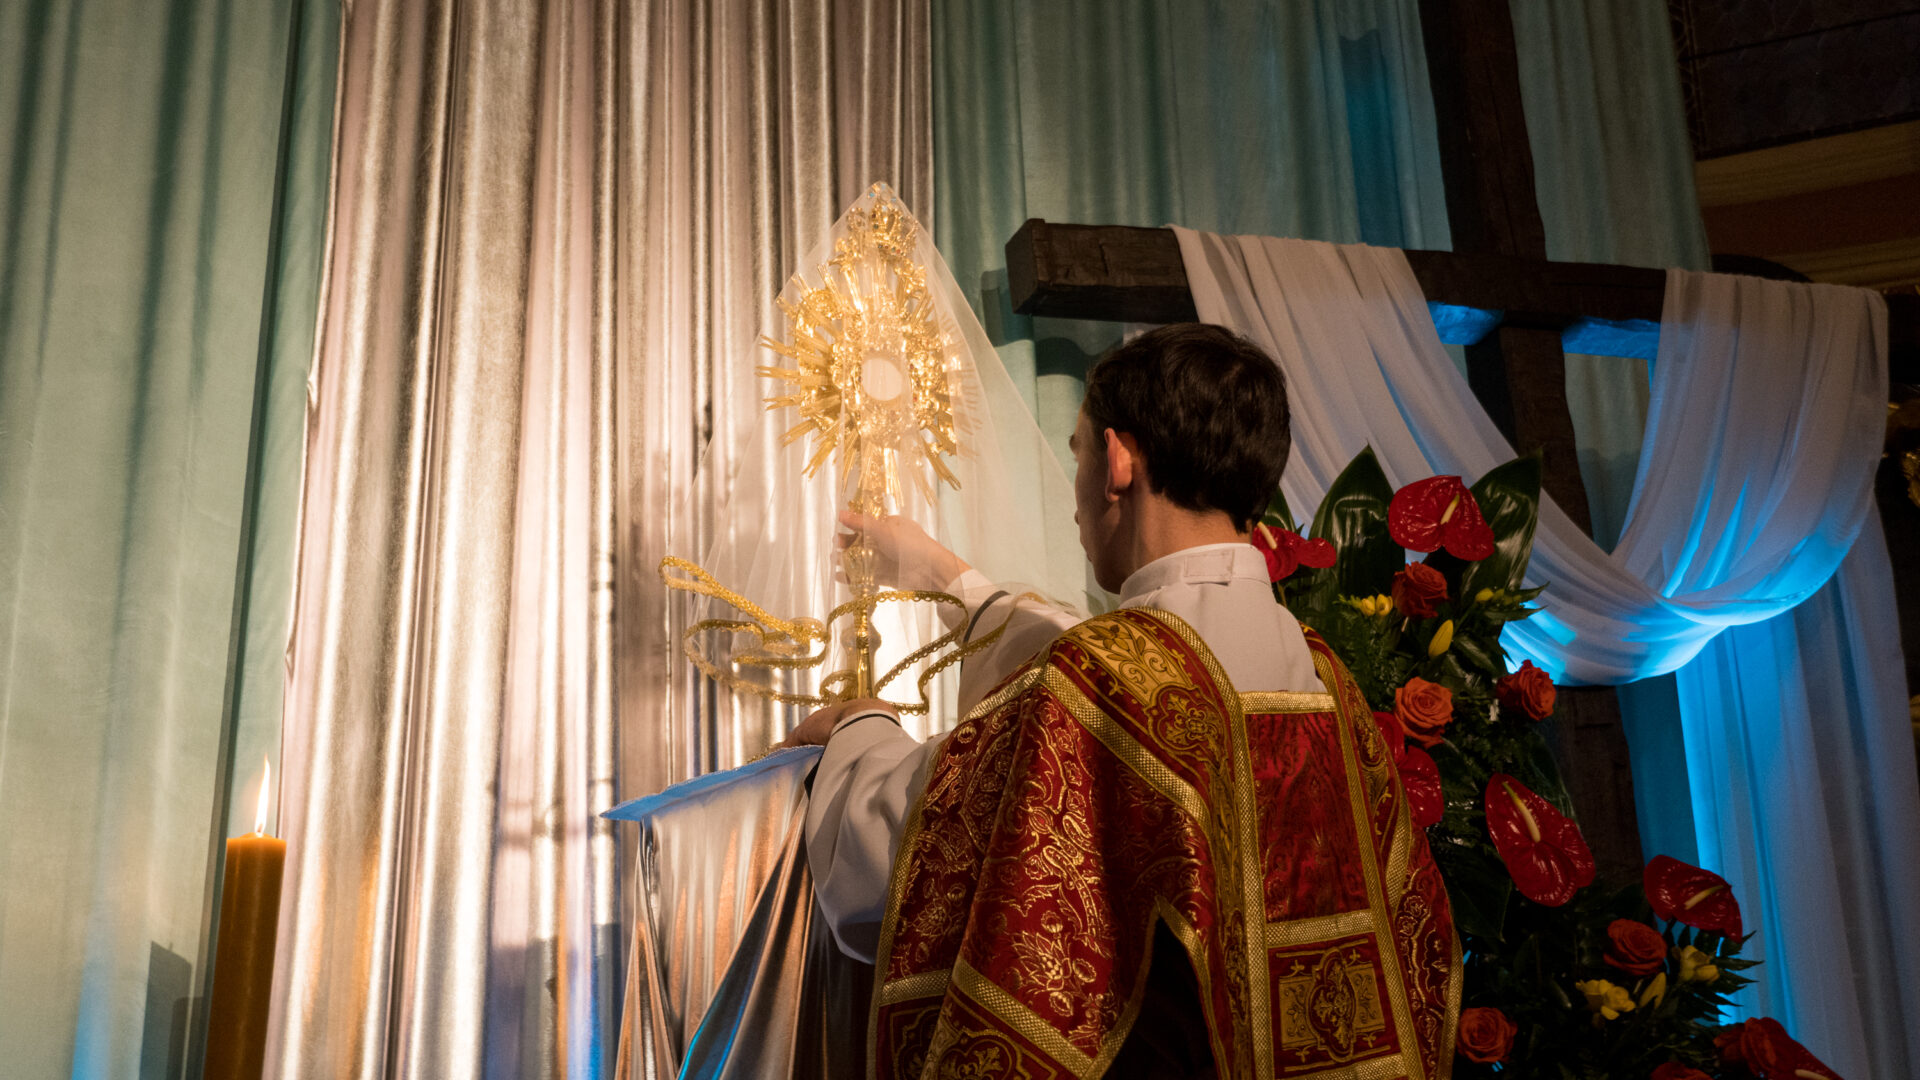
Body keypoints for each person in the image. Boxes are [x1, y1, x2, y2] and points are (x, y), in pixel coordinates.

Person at [783, 324, 1459, 1080]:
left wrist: (860, 727)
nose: (1075, 501)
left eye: (1076, 452)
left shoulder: (1097, 681)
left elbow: (893, 850)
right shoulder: (1328, 685)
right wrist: (943, 574)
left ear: (1117, 461)